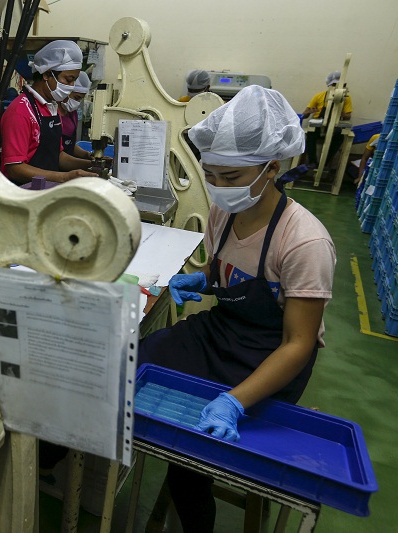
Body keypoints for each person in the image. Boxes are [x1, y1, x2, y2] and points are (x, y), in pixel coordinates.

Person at [139, 85, 336, 533]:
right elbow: (223, 270)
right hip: (221, 332)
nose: (218, 188)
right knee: (132, 365)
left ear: (272, 168)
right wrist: (204, 280)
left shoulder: (304, 242)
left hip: (272, 354)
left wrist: (234, 401)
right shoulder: (222, 214)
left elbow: (298, 342)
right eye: (211, 175)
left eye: (230, 177)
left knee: (191, 453)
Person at [0, 40, 97, 185]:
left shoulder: (51, 108)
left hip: (46, 190)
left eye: (74, 81)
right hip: (22, 192)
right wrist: (64, 177)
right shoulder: (20, 111)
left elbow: (58, 156)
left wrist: (91, 165)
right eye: (68, 80)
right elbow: (15, 169)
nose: (71, 87)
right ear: (46, 74)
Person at [302, 71, 353, 170]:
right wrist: (310, 112)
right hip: (318, 124)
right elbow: (304, 115)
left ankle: (325, 163)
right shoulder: (319, 96)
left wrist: (339, 111)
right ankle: (312, 162)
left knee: (339, 137)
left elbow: (348, 116)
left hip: (335, 126)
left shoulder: (346, 98)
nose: (335, 87)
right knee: (310, 135)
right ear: (329, 85)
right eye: (333, 85)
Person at [59, 71, 92, 158]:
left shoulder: (72, 114)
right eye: (76, 98)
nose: (77, 102)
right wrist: (88, 163)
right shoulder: (51, 114)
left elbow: (70, 145)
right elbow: (58, 156)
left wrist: (87, 155)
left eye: (80, 99)